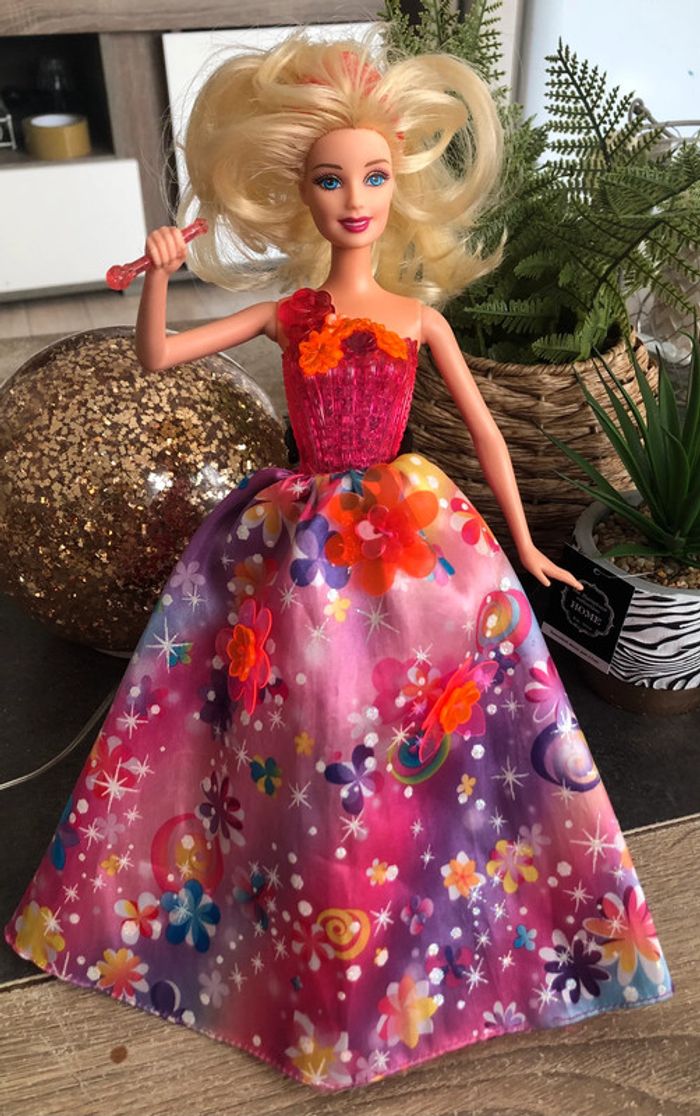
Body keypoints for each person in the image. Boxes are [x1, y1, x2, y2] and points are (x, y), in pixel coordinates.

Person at [4, 32, 673, 1091]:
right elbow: (158, 356)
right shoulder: (289, 314)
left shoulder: (417, 318)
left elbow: (487, 434)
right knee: (302, 714)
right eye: (329, 179)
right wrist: (159, 278)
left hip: (410, 532)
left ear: (400, 188)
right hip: (301, 538)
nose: (354, 199)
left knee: (443, 715)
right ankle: (287, 909)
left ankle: (483, 919)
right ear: (297, 192)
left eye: (373, 177)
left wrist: (525, 543)